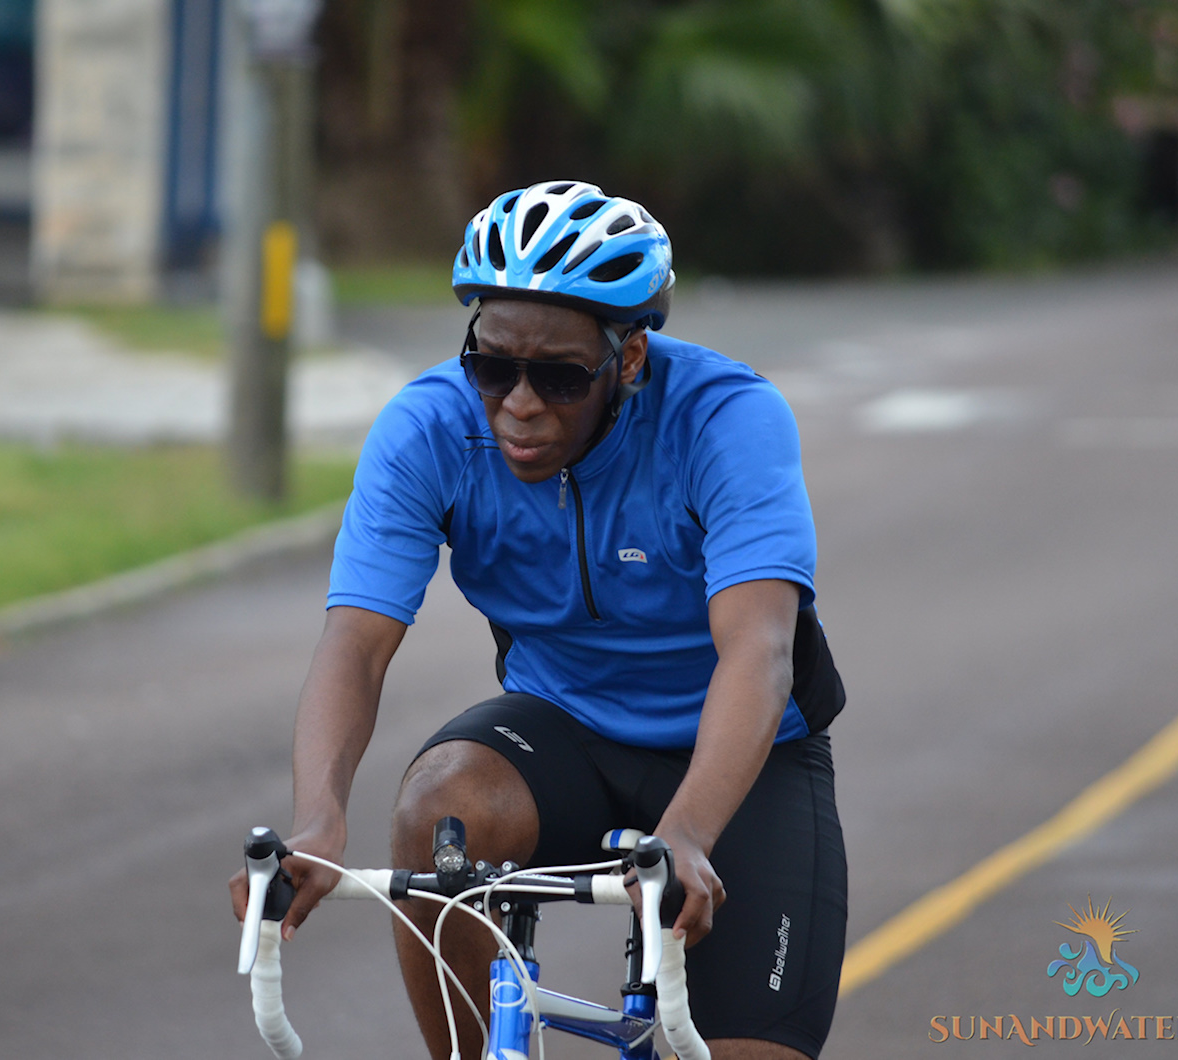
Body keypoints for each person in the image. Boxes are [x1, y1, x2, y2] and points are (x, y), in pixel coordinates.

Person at [231, 180, 848, 1060]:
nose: (519, 404)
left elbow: (759, 647)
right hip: (564, 729)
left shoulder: (727, 421)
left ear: (629, 359)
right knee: (439, 805)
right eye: (492, 366)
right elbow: (356, 646)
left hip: (745, 758)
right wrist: (318, 821)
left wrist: (687, 832)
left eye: (559, 377)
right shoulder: (430, 429)